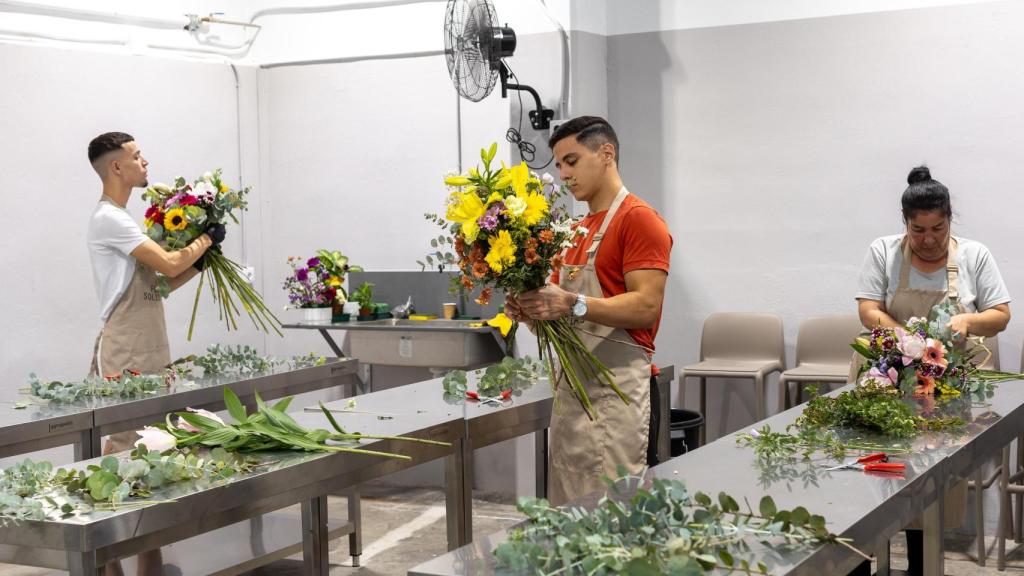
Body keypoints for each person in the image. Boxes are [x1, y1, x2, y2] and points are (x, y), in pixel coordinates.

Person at [852, 165, 1010, 576]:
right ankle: (871, 560)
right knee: (879, 471)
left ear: (949, 219)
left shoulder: (974, 255)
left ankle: (922, 566)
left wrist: (967, 322)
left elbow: (1001, 315)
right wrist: (906, 340)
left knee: (929, 476)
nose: (928, 240)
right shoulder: (884, 252)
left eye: (937, 228)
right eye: (917, 230)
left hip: (944, 387)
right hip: (889, 378)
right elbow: (868, 309)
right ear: (904, 223)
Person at [505, 116, 672, 505]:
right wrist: (534, 313)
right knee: (569, 513)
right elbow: (566, 317)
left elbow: (646, 306)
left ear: (606, 154)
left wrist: (571, 301)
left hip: (618, 398)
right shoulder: (573, 235)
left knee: (615, 518)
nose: (563, 174)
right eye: (559, 165)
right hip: (573, 398)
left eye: (572, 161)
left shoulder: (639, 220)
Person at [86, 132, 223, 576]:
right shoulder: (110, 219)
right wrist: (202, 242)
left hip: (151, 340)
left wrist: (202, 259)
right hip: (127, 343)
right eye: (136, 156)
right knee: (127, 447)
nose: (146, 161)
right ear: (116, 168)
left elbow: (159, 285)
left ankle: (151, 559)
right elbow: (166, 263)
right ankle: (105, 559)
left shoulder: (126, 220)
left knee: (155, 446)